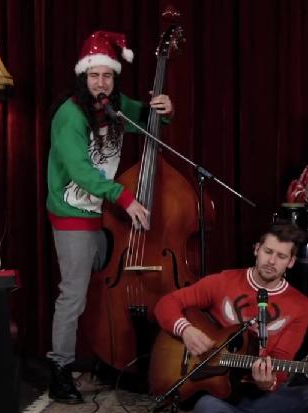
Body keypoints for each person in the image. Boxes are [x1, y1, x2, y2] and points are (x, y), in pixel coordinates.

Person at [46, 31, 174, 404]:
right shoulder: (70, 115)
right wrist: (127, 199)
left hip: (102, 213)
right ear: (82, 77)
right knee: (73, 295)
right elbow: (81, 171)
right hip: (73, 215)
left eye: (107, 76)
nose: (101, 83)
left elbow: (152, 120)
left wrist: (163, 109)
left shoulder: (114, 104)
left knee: (110, 284)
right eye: (94, 76)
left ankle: (109, 360)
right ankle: (59, 371)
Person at [154, 222, 308, 413]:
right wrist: (185, 330)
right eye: (268, 251)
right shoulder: (223, 281)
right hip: (215, 388)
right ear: (257, 250)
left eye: (281, 256)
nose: (272, 261)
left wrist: (269, 382)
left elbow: (281, 360)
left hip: (256, 393)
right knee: (207, 406)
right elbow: (166, 303)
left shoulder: (301, 305)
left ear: (291, 262)